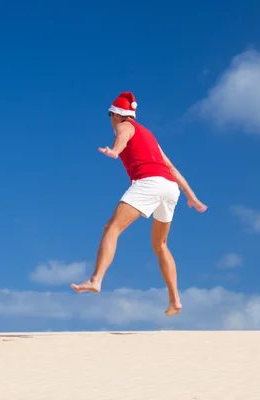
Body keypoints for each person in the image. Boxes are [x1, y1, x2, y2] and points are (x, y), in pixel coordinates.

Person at [71, 91, 207, 316]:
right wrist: (191, 196)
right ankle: (175, 300)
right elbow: (171, 167)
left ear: (116, 114)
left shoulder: (123, 126)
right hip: (170, 188)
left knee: (111, 228)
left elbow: (121, 138)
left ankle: (96, 279)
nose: (111, 119)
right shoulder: (149, 135)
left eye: (110, 114)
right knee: (160, 245)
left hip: (149, 183)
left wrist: (115, 152)